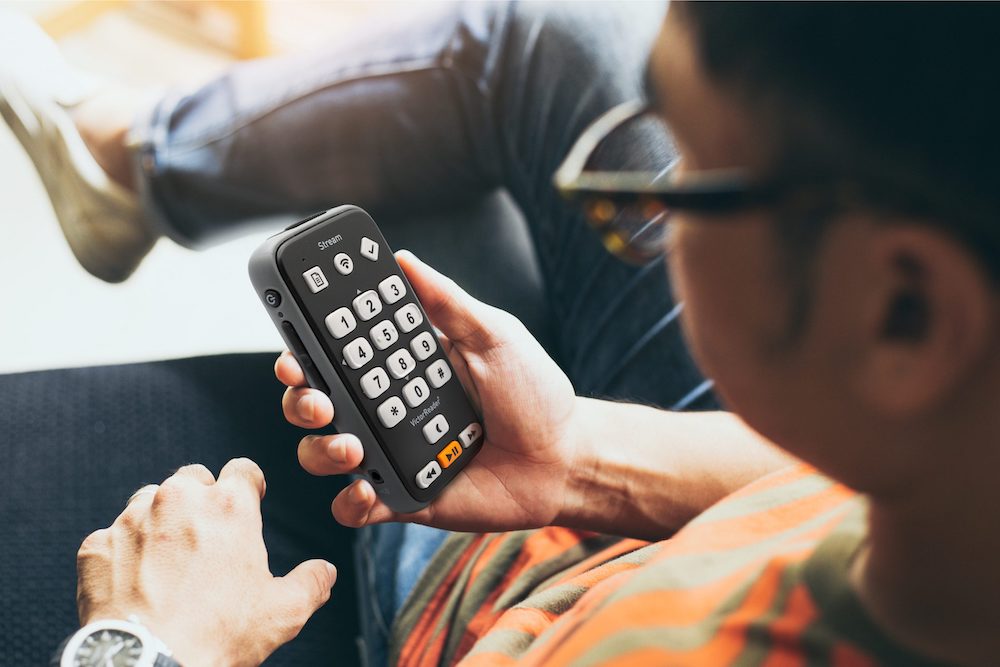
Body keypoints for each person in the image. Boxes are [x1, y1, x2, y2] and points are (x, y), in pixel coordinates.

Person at [5, 1, 999, 665]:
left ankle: (135, 165)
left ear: (901, 311)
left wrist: (149, 643)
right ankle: (133, 165)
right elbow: (813, 495)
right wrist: (579, 459)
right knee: (547, 43)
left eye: (681, 176)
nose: (644, 210)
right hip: (650, 509)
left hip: (503, 611)